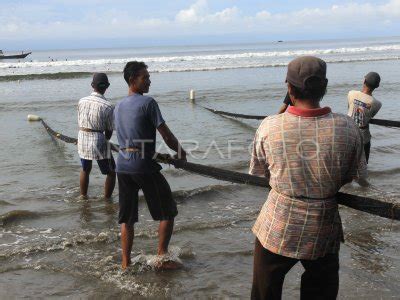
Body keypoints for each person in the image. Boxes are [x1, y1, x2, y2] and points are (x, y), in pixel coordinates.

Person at [249, 56, 368, 300]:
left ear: (289, 89)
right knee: (320, 292)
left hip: (277, 224)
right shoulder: (347, 127)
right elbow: (353, 175)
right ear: (324, 88)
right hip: (323, 224)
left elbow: (260, 171)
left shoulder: (269, 126)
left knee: (264, 292)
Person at [114, 61, 187, 269]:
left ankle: (125, 264)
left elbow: (130, 140)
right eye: (145, 77)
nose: (149, 80)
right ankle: (161, 257)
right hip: (142, 166)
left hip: (123, 166)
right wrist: (180, 153)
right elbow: (166, 134)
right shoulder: (148, 103)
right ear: (132, 80)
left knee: (127, 219)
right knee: (168, 212)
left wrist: (155, 154)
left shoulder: (117, 106)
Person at [77, 73, 116, 199]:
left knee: (85, 169)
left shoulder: (81, 101)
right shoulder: (108, 106)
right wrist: (106, 141)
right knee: (111, 172)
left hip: (82, 137)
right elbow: (109, 130)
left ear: (92, 85)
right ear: (107, 86)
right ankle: (107, 199)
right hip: (98, 139)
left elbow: (80, 120)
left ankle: (83, 196)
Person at [347, 72, 382, 163]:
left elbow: (349, 108)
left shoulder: (351, 93)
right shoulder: (377, 104)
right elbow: (370, 116)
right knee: (363, 164)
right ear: (377, 86)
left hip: (348, 134)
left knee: (347, 163)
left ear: (364, 81)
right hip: (364, 137)